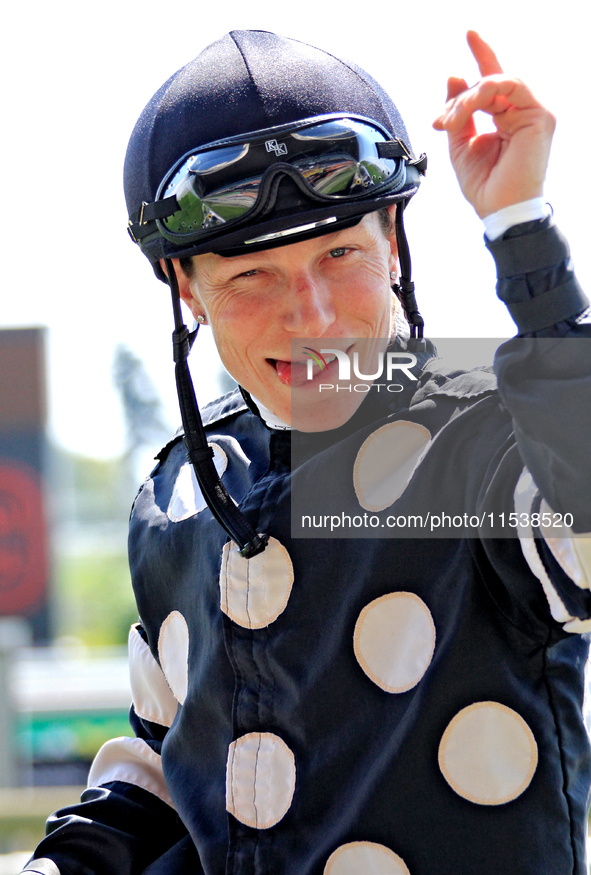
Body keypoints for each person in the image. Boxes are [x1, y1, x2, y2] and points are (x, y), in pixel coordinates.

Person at [22, 28, 591, 875]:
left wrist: (520, 229)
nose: (313, 316)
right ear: (187, 287)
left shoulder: (479, 442)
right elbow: (165, 777)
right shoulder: (177, 488)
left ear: (392, 239)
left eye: (340, 252)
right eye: (251, 276)